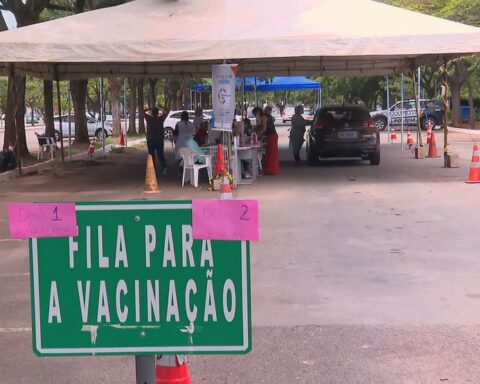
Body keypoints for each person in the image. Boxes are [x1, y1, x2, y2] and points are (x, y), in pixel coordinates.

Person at [144, 106, 168, 174]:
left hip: (150, 139)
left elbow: (144, 111)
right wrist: (161, 107)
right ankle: (164, 166)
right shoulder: (160, 119)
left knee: (151, 155)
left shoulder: (148, 119)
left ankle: (153, 169)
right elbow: (166, 111)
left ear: (152, 112)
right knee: (160, 154)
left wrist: (150, 109)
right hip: (159, 139)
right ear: (158, 113)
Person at [262, 106, 279, 175]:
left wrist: (258, 133)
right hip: (273, 135)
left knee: (270, 153)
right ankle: (272, 169)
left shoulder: (264, 117)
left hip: (271, 136)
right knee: (272, 153)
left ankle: (270, 169)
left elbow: (264, 128)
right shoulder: (270, 117)